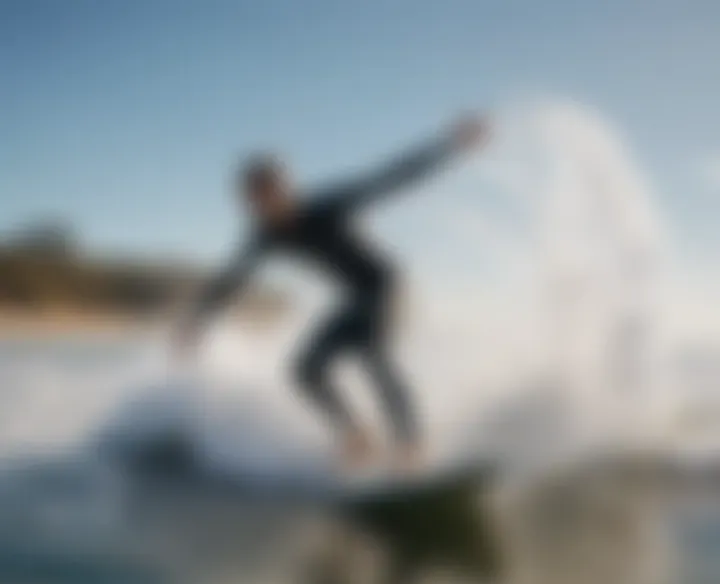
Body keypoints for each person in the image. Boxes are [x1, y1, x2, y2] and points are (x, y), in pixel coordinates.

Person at [174, 115, 489, 473]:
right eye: (255, 200)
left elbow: (388, 179)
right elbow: (230, 280)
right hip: (355, 299)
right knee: (305, 370)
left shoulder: (324, 207)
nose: (264, 205)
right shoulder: (264, 236)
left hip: (386, 287)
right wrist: (197, 322)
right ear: (248, 202)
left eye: (271, 193)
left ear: (285, 189)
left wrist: (448, 146)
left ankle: (411, 443)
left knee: (371, 351)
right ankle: (356, 436)